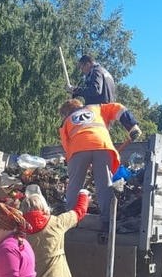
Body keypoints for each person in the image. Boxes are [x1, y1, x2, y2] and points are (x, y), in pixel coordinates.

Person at [58, 98, 142, 231]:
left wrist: (80, 164)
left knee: (74, 185)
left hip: (78, 148)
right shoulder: (96, 108)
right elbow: (118, 108)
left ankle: (71, 220)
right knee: (104, 185)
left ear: (66, 112)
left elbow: (66, 146)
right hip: (102, 145)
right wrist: (132, 126)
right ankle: (107, 221)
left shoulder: (66, 122)